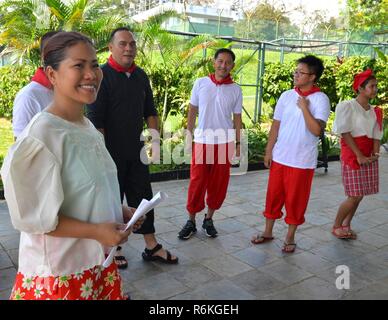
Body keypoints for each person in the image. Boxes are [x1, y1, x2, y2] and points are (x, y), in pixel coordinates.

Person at [1, 31, 141, 300]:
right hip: (61, 277)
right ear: (52, 74)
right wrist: (97, 231)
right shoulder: (41, 136)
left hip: (97, 267)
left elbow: (87, 190)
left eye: (94, 64)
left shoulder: (86, 127)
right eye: (79, 65)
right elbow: (35, 218)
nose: (91, 74)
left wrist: (120, 212)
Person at [86, 27, 178, 265]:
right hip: (109, 154)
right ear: (110, 48)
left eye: (132, 44)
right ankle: (114, 249)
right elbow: (97, 122)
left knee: (143, 198)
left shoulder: (140, 76)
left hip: (136, 152)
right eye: (123, 44)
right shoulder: (101, 76)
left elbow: (151, 112)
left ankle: (151, 245)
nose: (129, 48)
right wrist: (103, 159)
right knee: (112, 201)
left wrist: (155, 142)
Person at [251, 55, 331, 253]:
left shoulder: (321, 99)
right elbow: (276, 125)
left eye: (300, 72)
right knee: (273, 197)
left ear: (312, 77)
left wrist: (304, 108)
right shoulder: (286, 95)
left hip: (302, 161)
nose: (296, 75)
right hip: (280, 157)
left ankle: (290, 237)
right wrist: (269, 150)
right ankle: (268, 232)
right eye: (296, 71)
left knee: (296, 201)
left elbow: (316, 130)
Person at [177, 48, 242, 240]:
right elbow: (192, 110)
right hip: (202, 141)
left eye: (228, 62)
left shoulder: (236, 89)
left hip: (225, 142)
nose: (223, 65)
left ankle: (209, 219)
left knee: (218, 184)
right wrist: (188, 134)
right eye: (220, 61)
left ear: (232, 66)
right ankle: (191, 220)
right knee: (197, 182)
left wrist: (238, 142)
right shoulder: (201, 83)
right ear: (214, 62)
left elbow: (237, 118)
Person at [332, 69, 382, 239]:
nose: (375, 89)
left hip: (368, 155)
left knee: (359, 196)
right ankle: (337, 225)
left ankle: (346, 224)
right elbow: (345, 132)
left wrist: (375, 153)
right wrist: (359, 155)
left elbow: (376, 134)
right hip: (353, 154)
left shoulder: (375, 110)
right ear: (360, 89)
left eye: (376, 86)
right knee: (355, 195)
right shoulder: (348, 106)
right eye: (372, 86)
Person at [12, 31, 59, 139]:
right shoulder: (28, 96)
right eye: (56, 52)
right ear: (43, 57)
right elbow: (21, 146)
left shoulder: (68, 90)